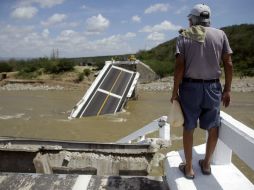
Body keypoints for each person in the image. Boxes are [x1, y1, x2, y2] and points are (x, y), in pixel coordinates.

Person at [170, 3, 233, 179]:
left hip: (190, 88)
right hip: (213, 87)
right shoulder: (221, 35)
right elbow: (228, 63)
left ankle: (189, 169)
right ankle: (206, 164)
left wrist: (175, 92)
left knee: (189, 126)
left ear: (194, 19)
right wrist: (227, 89)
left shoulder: (184, 36)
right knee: (213, 126)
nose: (189, 22)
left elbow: (179, 66)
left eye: (190, 19)